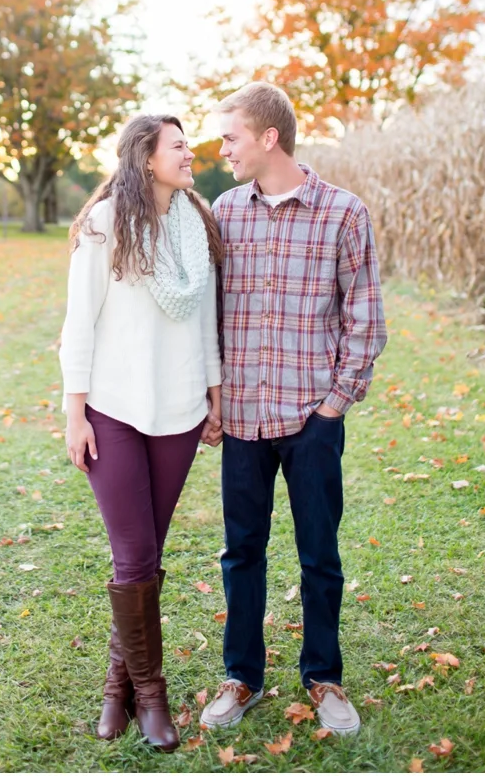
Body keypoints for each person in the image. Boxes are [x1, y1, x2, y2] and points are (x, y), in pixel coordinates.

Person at [197, 82, 387, 736]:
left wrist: (334, 406)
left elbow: (366, 319)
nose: (223, 150)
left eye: (231, 138)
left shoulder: (343, 214)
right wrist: (213, 398)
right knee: (241, 553)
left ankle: (324, 677)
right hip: (244, 418)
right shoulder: (225, 212)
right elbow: (208, 314)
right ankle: (241, 677)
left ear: (268, 137)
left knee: (319, 555)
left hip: (311, 419)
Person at [59, 113, 224, 750]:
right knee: (133, 556)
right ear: (145, 158)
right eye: (178, 146)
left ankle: (116, 685)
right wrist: (75, 413)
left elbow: (205, 320)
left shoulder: (195, 225)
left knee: (146, 558)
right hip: (113, 409)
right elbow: (79, 323)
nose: (190, 154)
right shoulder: (104, 225)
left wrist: (214, 393)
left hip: (179, 410)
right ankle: (149, 697)